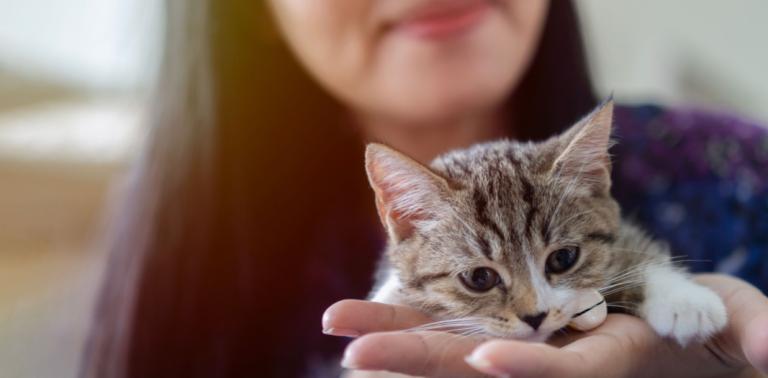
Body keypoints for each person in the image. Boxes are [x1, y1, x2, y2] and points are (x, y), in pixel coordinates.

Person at [82, 1, 768, 377]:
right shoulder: (180, 243)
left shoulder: (743, 173)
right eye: (479, 276)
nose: (532, 311)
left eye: (557, 260)